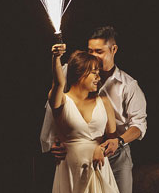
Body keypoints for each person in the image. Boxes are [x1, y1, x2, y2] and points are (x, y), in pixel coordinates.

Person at [41, 26, 148, 193]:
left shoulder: (128, 85)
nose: (94, 56)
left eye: (99, 51)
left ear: (114, 49)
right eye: (90, 51)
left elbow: (139, 125)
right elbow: (54, 107)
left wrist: (117, 141)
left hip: (116, 151)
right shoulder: (71, 71)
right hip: (75, 156)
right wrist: (54, 140)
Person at [48, 46, 120, 193]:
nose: (98, 78)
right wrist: (56, 58)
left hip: (98, 167)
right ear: (79, 73)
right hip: (70, 170)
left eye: (98, 73)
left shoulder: (104, 102)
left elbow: (113, 141)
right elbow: (58, 84)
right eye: (94, 73)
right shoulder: (61, 101)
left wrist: (101, 148)